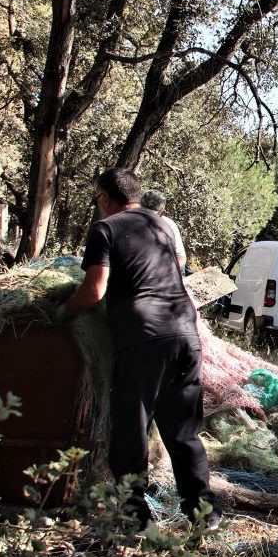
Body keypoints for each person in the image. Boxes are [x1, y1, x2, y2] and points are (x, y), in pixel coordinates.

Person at [64, 168, 218, 532]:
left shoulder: (105, 228)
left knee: (131, 431)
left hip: (144, 338)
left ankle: (136, 519)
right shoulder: (162, 225)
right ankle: (204, 514)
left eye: (97, 200)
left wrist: (62, 311)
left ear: (104, 197)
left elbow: (93, 291)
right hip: (185, 333)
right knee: (183, 430)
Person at [140, 190, 187, 270]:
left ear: (162, 213)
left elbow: (181, 258)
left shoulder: (169, 225)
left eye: (152, 214)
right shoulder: (130, 224)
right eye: (145, 213)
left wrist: (166, 272)